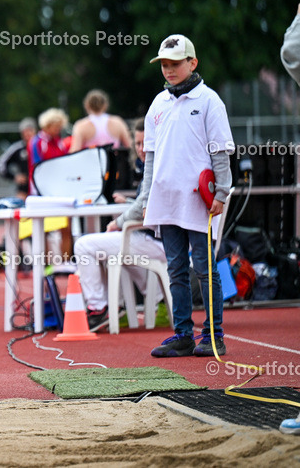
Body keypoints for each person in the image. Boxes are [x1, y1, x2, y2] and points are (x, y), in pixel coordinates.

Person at [116, 34, 233, 358]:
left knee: (204, 268)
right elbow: (150, 159)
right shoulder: (158, 104)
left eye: (175, 63)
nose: (168, 70)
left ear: (192, 63)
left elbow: (220, 151)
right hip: (166, 199)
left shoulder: (210, 101)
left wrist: (222, 191)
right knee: (176, 269)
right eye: (164, 65)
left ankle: (213, 335)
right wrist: (147, 197)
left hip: (198, 199)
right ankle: (182, 334)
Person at [74, 118, 166, 330]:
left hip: (160, 240)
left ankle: (98, 308)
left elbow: (146, 206)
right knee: (120, 250)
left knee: (84, 246)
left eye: (146, 143)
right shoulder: (158, 165)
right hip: (160, 238)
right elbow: (149, 204)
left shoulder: (156, 167)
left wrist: (118, 222)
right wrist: (130, 204)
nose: (142, 149)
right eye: (138, 143)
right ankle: (156, 300)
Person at [27, 108, 69, 194]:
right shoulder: (37, 142)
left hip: (58, 183)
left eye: (60, 127)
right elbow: (37, 165)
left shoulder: (59, 142)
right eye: (56, 127)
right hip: (41, 184)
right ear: (48, 125)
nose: (59, 129)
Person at [0, 117, 36, 199]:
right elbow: (1, 162)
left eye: (30, 130)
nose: (27, 134)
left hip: (40, 188)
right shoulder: (18, 148)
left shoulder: (42, 146)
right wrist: (13, 176)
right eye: (25, 131)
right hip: (24, 190)